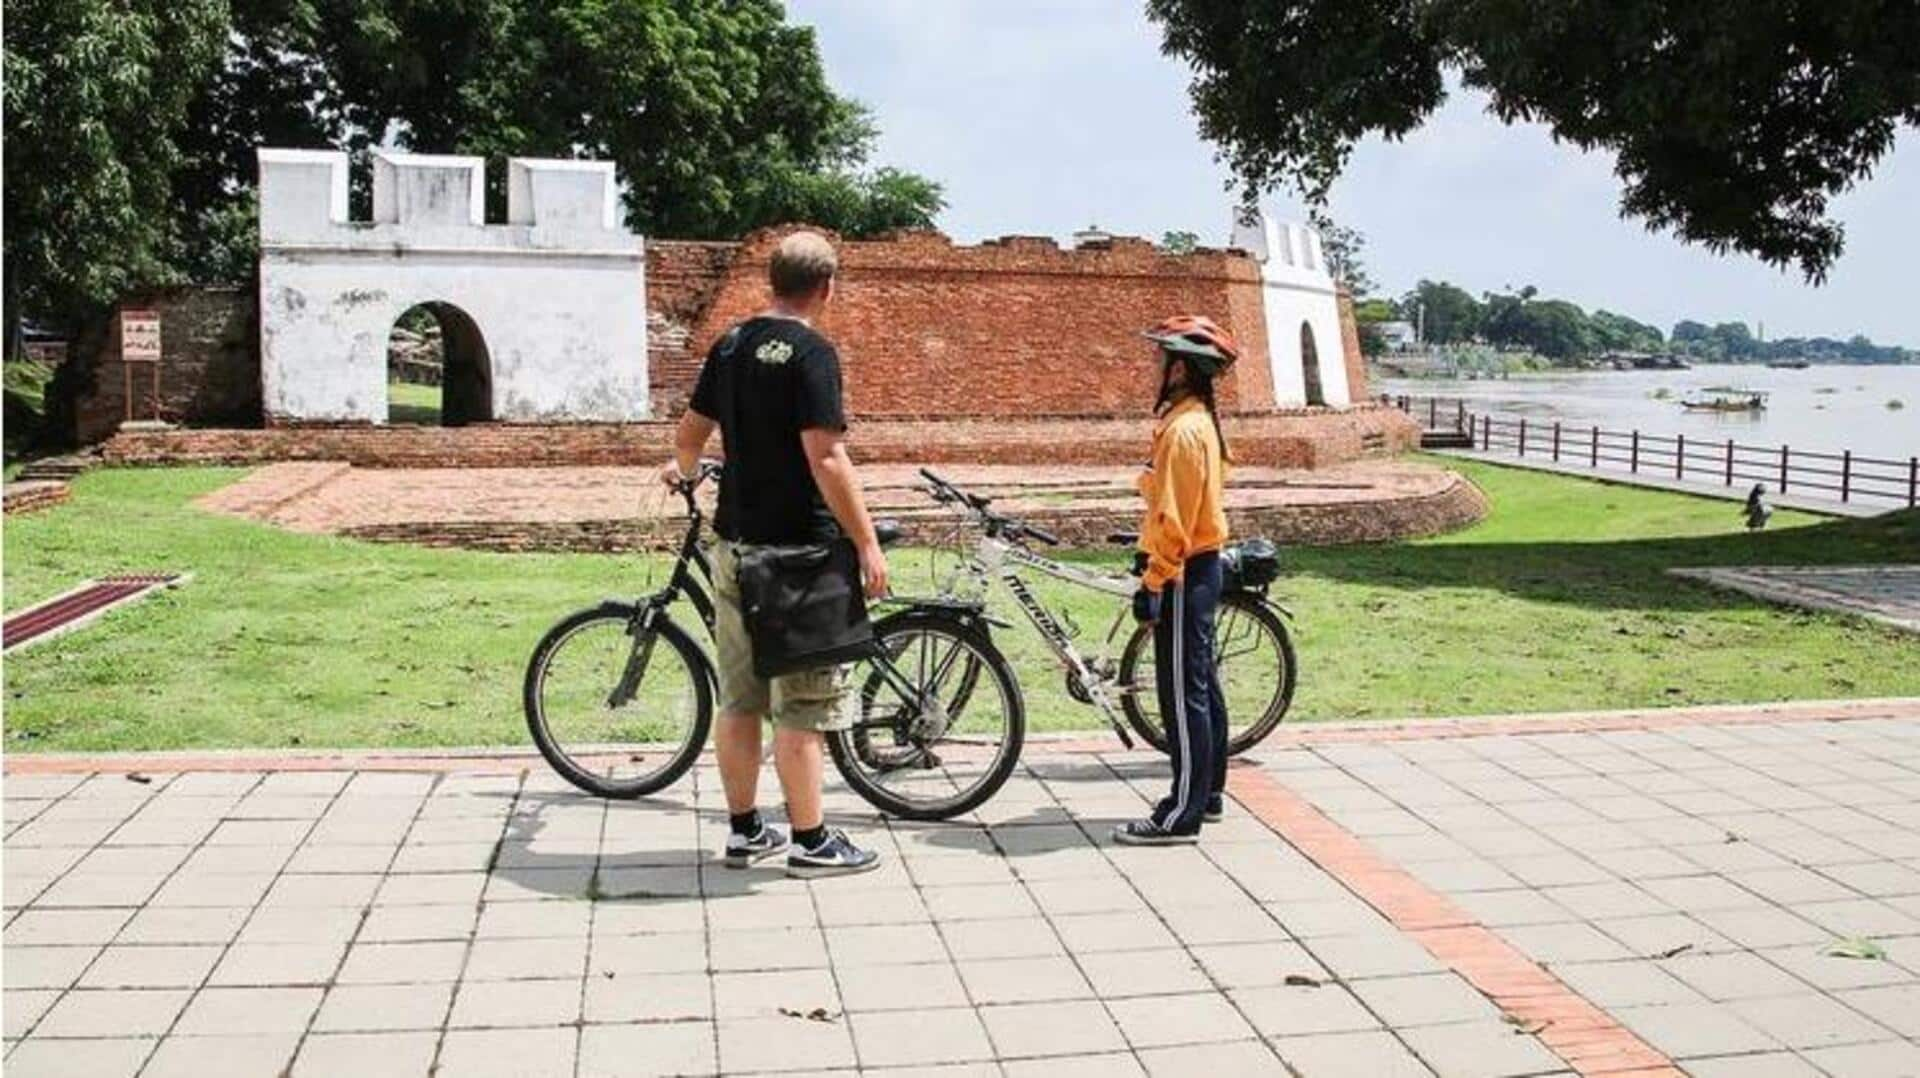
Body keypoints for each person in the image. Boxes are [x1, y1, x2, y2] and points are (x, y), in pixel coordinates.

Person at [662, 230, 888, 878]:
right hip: (798, 555)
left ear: (771, 279)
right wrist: (866, 541)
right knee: (802, 707)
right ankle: (811, 841)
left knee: (740, 699)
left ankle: (743, 832)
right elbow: (826, 454)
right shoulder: (812, 352)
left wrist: (682, 471)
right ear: (827, 287)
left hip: (733, 546)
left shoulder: (731, 344)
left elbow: (691, 432)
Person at [1114, 315, 1238, 845]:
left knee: (1181, 695)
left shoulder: (1185, 431)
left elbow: (1175, 523)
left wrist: (1155, 581)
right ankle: (1206, 793)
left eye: (1160, 358)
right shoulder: (1194, 421)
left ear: (1181, 368)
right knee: (1201, 685)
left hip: (1185, 571)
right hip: (1200, 567)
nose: (1152, 367)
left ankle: (1181, 813)